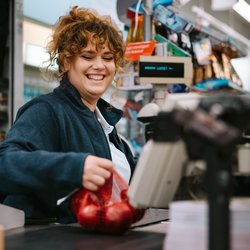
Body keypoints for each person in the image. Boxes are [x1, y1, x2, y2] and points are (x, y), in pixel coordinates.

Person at [0, 6, 136, 223]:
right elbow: (4, 164)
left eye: (108, 57)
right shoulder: (47, 110)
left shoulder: (106, 123)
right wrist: (74, 167)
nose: (99, 65)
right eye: (87, 56)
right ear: (66, 62)